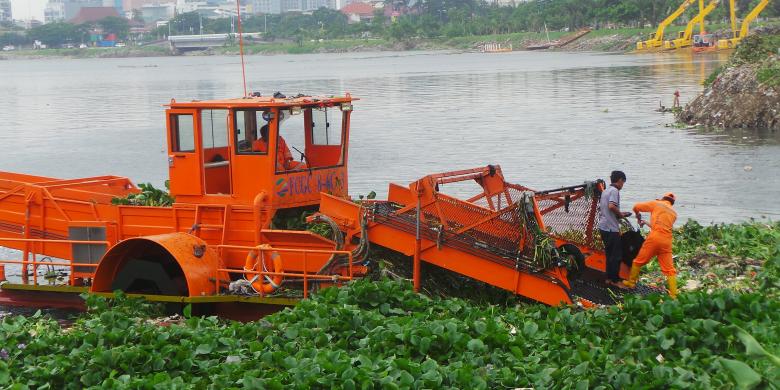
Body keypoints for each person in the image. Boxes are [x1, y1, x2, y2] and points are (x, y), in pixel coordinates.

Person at [623, 193, 678, 298]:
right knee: (670, 269)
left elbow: (636, 207)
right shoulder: (674, 214)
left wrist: (637, 214)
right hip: (666, 241)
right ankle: (674, 294)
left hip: (654, 238)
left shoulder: (656, 203)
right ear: (672, 203)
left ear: (662, 199)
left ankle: (631, 282)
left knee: (638, 261)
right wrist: (645, 222)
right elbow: (660, 226)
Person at [597, 170, 632, 288]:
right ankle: (616, 281)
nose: (623, 185)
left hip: (603, 226)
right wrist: (621, 215)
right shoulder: (615, 191)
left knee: (609, 254)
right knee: (616, 255)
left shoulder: (605, 191)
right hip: (611, 228)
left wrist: (620, 213)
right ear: (620, 180)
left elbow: (607, 208)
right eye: (623, 182)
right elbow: (612, 206)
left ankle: (608, 279)